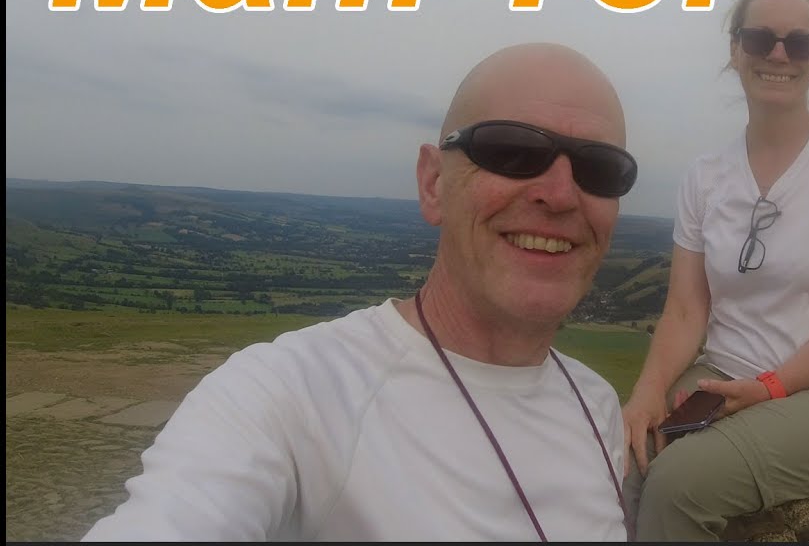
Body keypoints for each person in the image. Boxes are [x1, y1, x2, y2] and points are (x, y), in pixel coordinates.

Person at [84, 43, 638, 541]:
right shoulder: (290, 395)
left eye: (600, 168)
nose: (561, 194)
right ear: (432, 183)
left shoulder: (596, 406)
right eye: (513, 150)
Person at [620, 0, 809, 541]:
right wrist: (647, 392)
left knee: (679, 485)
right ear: (735, 50)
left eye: (800, 43)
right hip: (725, 374)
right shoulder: (706, 177)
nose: (779, 54)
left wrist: (770, 388)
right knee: (624, 456)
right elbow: (685, 310)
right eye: (760, 38)